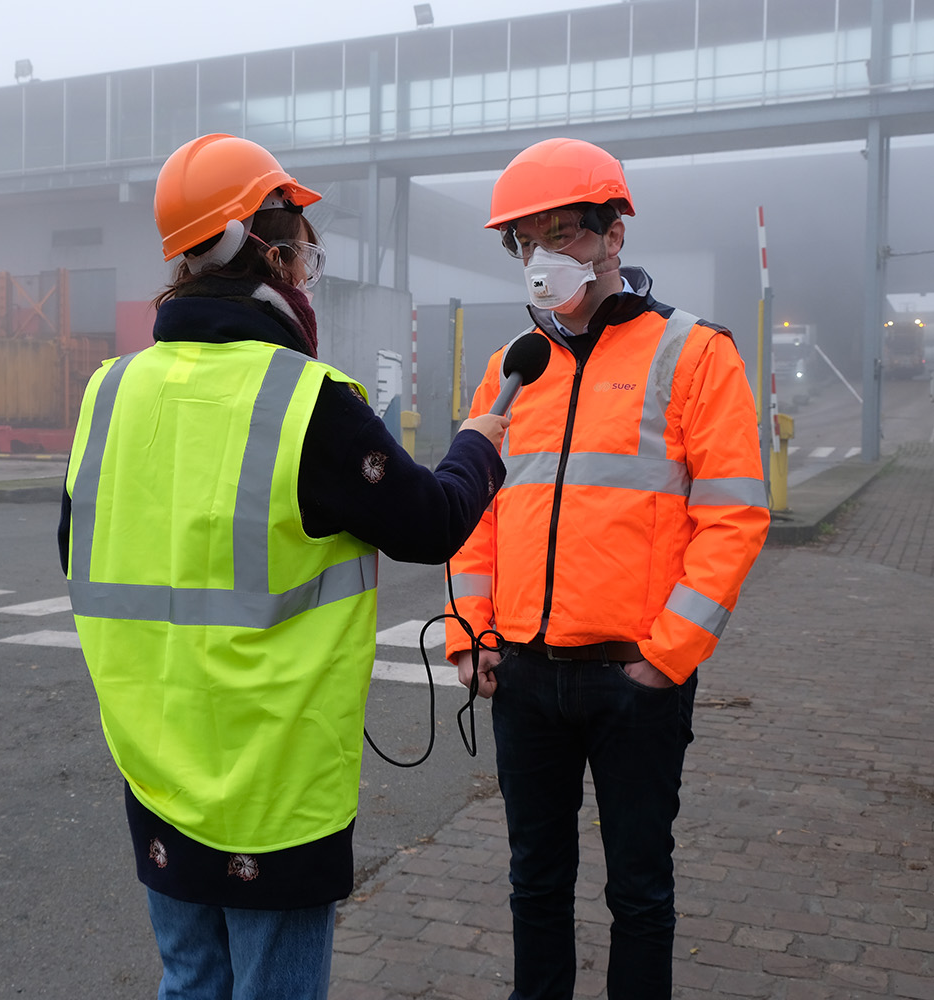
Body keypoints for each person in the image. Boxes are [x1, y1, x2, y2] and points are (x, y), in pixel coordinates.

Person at [58, 133, 508, 1000]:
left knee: (189, 982)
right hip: (273, 784)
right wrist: (478, 444)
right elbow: (432, 521)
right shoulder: (305, 401)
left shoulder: (109, 390)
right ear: (265, 247)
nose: (307, 257)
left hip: (155, 766)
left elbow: (80, 550)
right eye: (299, 234)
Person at [444, 137, 770, 999]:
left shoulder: (695, 353)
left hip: (635, 682)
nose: (543, 257)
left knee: (640, 893)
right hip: (523, 678)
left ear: (613, 233)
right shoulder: (510, 370)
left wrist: (665, 659)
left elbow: (734, 518)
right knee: (535, 885)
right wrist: (474, 636)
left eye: (564, 234)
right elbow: (478, 514)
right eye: (524, 240)